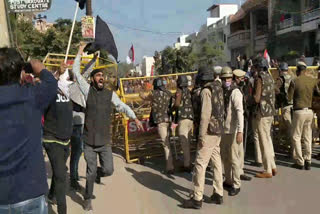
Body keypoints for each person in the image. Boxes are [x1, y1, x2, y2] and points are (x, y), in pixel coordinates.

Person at [72, 43, 144, 211]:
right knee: (90, 173)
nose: (100, 77)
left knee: (108, 170)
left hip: (104, 142)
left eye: (102, 75)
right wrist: (80, 52)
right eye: (97, 75)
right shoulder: (87, 90)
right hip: (89, 141)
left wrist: (135, 118)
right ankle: (88, 198)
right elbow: (76, 72)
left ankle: (99, 173)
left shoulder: (110, 94)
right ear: (92, 79)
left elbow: (122, 106)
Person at [0, 48, 57, 213]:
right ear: (21, 73)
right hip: (29, 191)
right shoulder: (33, 95)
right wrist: (37, 67)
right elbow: (51, 83)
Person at [183, 66, 224, 209]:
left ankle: (197, 198)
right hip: (218, 130)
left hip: (208, 132)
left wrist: (201, 135)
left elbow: (205, 115)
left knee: (200, 164)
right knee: (216, 161)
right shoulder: (218, 87)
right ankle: (218, 193)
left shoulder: (206, 91)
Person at [43, 62, 73, 214]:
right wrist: (56, 74)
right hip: (51, 138)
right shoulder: (50, 90)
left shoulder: (70, 91)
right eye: (63, 75)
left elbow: (81, 79)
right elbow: (45, 87)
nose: (66, 79)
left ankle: (51, 195)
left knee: (59, 171)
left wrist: (81, 51)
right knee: (61, 175)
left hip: (65, 139)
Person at [69, 55, 97, 190]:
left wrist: (94, 59)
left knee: (76, 152)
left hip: (78, 121)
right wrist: (92, 59)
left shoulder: (70, 86)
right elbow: (85, 72)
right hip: (77, 123)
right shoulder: (72, 87)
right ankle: (73, 179)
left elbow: (86, 72)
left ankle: (73, 176)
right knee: (77, 152)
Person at [288, 61, 320, 170]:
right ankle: (308, 160)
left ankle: (300, 161)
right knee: (307, 136)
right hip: (310, 111)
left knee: (296, 136)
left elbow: (289, 97)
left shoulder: (294, 81)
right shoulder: (312, 81)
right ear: (305, 70)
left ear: (297, 70)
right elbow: (317, 93)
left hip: (299, 111)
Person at [140, 78, 174, 174]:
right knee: (169, 142)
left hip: (160, 121)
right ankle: (172, 163)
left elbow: (143, 96)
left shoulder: (153, 94)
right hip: (168, 120)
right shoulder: (168, 93)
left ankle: (170, 167)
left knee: (166, 144)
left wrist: (142, 89)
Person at [220, 67, 244, 197]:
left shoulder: (235, 92)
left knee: (234, 158)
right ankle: (228, 180)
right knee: (226, 157)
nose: (226, 81)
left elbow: (240, 112)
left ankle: (236, 183)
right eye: (224, 79)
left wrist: (240, 131)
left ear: (232, 78)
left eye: (228, 78)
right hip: (224, 130)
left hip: (233, 130)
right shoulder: (222, 91)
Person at [252, 57, 277, 178]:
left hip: (262, 113)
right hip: (270, 112)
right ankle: (272, 166)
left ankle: (267, 170)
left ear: (257, 67)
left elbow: (257, 98)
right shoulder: (270, 77)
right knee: (268, 139)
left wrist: (249, 97)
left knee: (263, 142)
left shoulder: (259, 78)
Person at [233, 69, 252, 181]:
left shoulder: (242, 87)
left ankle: (240, 171)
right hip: (234, 122)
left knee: (240, 148)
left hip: (242, 118)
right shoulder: (232, 89)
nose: (242, 80)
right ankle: (235, 174)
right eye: (240, 78)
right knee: (234, 150)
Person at [174, 75, 194, 172]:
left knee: (184, 144)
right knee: (188, 142)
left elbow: (177, 104)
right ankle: (188, 162)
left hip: (183, 119)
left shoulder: (179, 91)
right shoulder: (189, 91)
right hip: (190, 119)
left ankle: (187, 165)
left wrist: (173, 106)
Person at [275, 62, 294, 158]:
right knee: (288, 128)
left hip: (286, 106)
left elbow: (275, 90)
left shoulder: (280, 79)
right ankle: (288, 147)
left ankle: (292, 151)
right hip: (294, 106)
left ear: (281, 70)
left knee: (289, 129)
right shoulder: (293, 78)